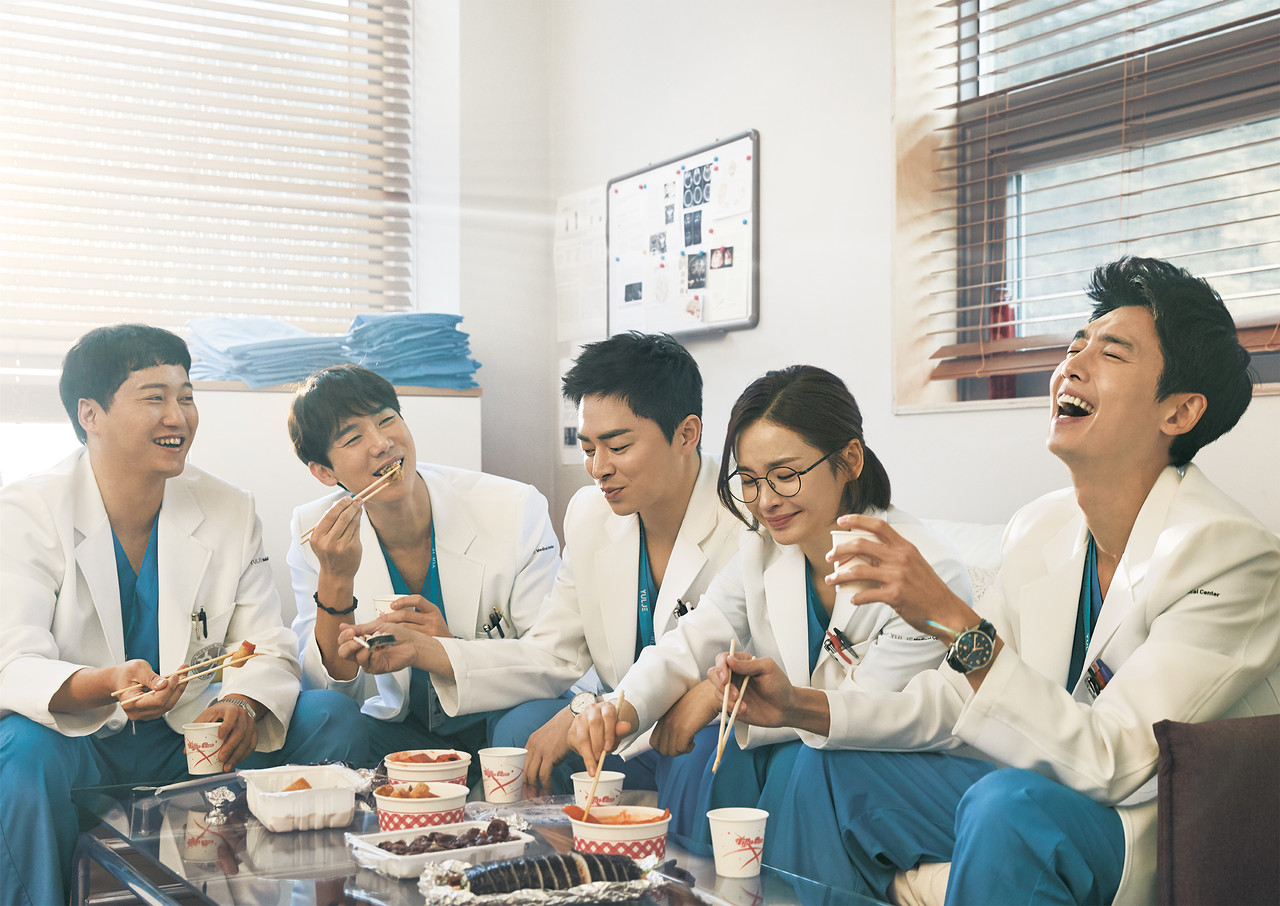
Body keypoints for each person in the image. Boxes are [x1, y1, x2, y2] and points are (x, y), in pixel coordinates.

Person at [753, 258, 1280, 904]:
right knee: (824, 767)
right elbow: (953, 703)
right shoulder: (1040, 528)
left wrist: (951, 620)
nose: (1073, 365)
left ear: (1180, 412)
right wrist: (798, 706)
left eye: (1112, 352)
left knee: (1007, 807)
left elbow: (1116, 763)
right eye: (1076, 344)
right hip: (1028, 794)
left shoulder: (1229, 555)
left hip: (1146, 830)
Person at [0, 324, 366, 906]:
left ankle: (333, 893)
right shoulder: (27, 510)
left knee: (330, 717)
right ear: (90, 414)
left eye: (187, 397)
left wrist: (242, 702)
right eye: (155, 398)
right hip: (80, 739)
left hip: (193, 737)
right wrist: (107, 683)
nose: (179, 417)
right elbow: (12, 661)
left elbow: (266, 643)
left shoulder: (228, 508)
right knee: (22, 750)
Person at [566, 365, 972, 850]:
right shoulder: (763, 548)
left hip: (886, 763)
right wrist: (620, 709)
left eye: (784, 476)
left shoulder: (924, 570)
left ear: (850, 459)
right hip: (808, 744)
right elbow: (693, 639)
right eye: (750, 480)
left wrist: (716, 698)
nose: (765, 501)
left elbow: (867, 715)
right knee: (703, 758)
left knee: (795, 768)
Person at [336, 332, 742, 810]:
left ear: (687, 434)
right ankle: (540, 853)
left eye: (617, 446)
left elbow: (715, 658)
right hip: (618, 728)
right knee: (522, 730)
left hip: (700, 729)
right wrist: (429, 651)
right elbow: (552, 654)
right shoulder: (591, 513)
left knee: (693, 754)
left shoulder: (745, 515)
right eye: (587, 448)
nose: (598, 468)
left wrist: (587, 709)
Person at [286, 365, 560, 775]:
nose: (382, 443)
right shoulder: (317, 534)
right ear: (325, 472)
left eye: (387, 420)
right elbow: (330, 689)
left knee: (528, 722)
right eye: (353, 438)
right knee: (323, 717)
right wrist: (336, 579)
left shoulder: (514, 508)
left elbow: (552, 658)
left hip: (501, 714)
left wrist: (445, 650)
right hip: (401, 729)